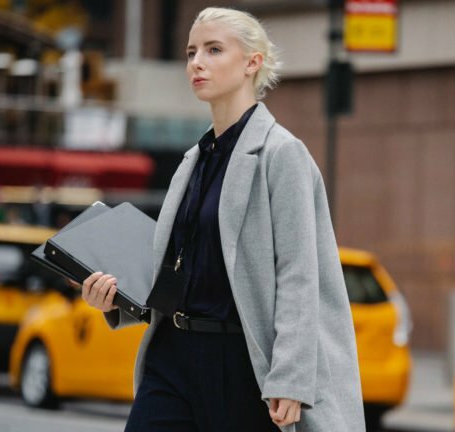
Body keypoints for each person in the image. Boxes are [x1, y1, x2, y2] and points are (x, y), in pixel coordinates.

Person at [80, 7, 364, 432]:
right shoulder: (193, 160)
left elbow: (299, 273)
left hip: (241, 362)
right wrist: (115, 299)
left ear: (253, 63)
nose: (197, 62)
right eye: (192, 51)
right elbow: (178, 270)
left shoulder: (281, 154)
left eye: (214, 50)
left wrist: (290, 377)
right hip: (172, 354)